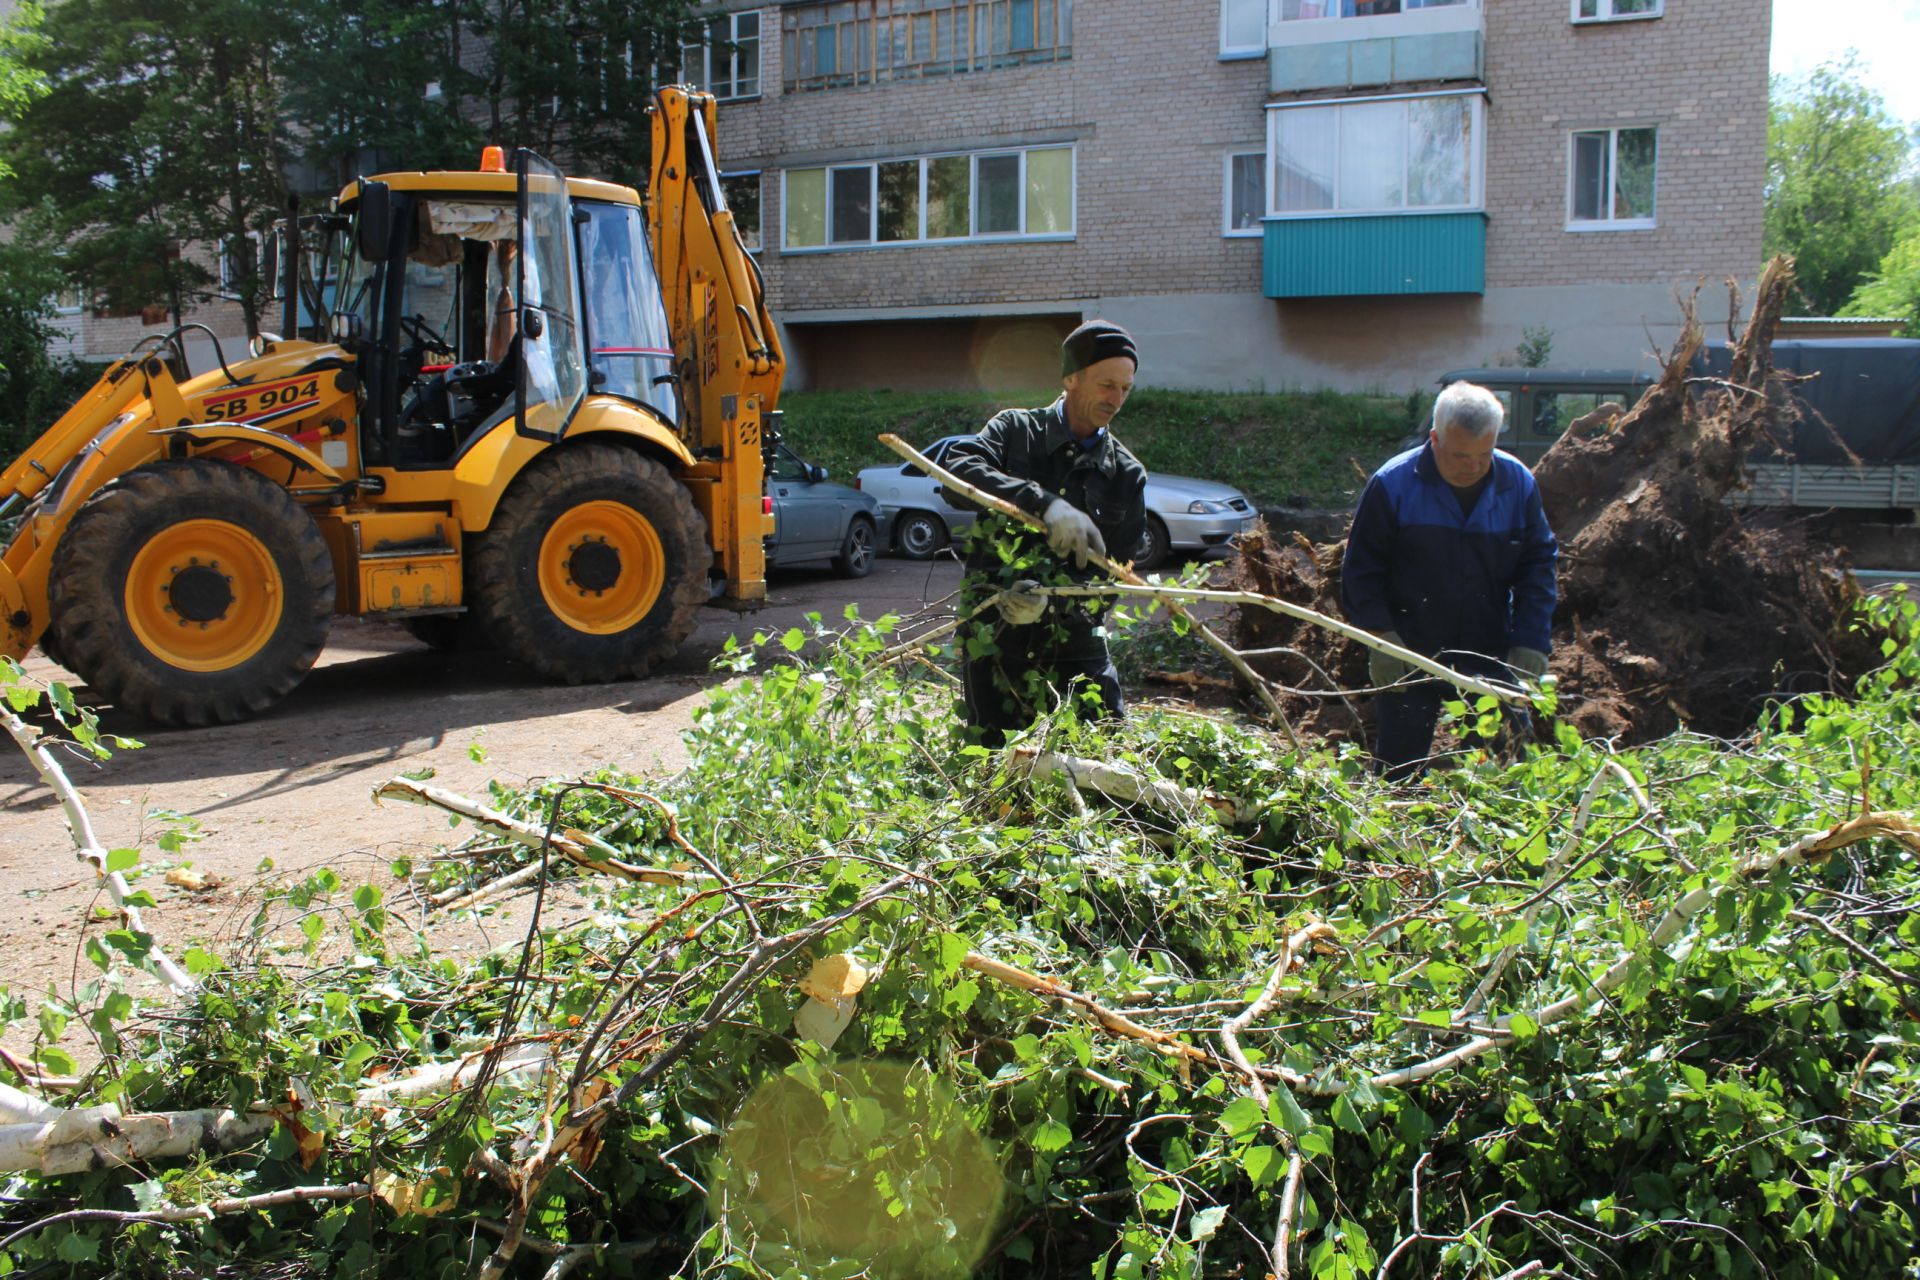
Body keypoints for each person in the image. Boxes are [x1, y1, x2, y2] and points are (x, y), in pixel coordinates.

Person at [945, 320, 1149, 747]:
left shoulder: (1125, 475)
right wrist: (1044, 504)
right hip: (996, 641)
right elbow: (957, 471)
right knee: (995, 767)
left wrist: (1053, 605)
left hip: (1075, 651)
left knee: (1107, 760)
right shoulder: (1015, 432)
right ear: (1070, 378)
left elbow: (1113, 578)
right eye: (1106, 384)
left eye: (1126, 389)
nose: (1116, 400)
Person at [1340, 380, 1558, 777]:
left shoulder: (1518, 484)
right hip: (1410, 649)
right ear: (1435, 438)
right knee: (1399, 771)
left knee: (1501, 769)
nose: (1472, 466)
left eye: (1484, 454)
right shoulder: (1393, 486)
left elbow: (1538, 566)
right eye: (1460, 455)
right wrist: (1381, 639)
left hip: (1490, 648)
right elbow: (1360, 572)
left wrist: (1531, 639)